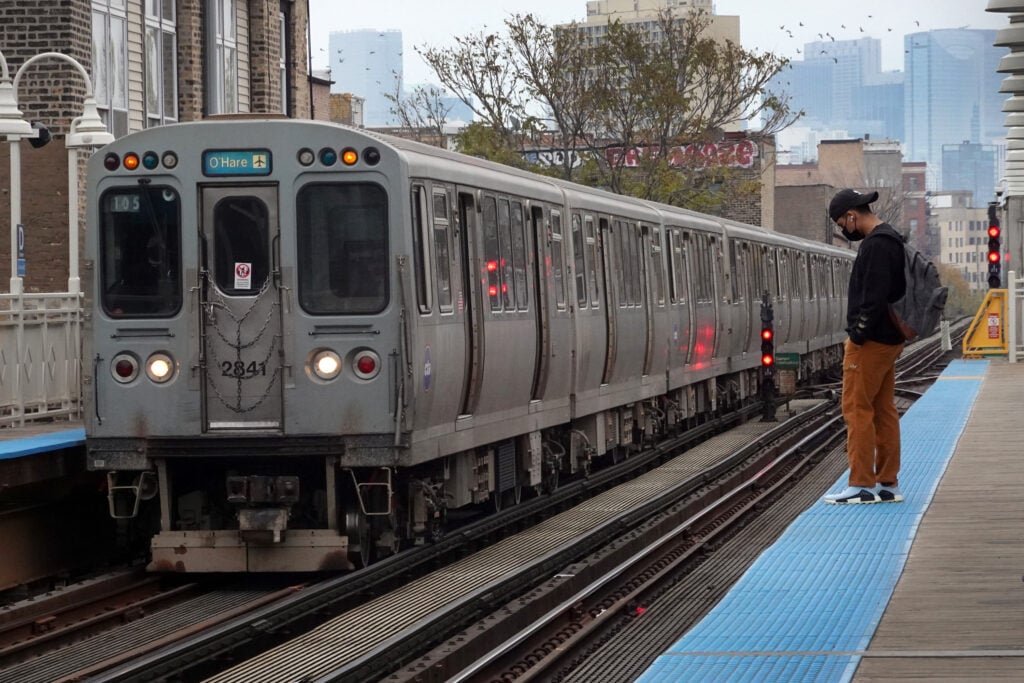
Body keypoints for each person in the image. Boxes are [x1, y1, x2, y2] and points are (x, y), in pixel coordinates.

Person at [824, 189, 907, 505]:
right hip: (889, 339)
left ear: (851, 216)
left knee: (857, 409)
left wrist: (857, 336)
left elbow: (872, 298)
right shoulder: (892, 239)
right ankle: (887, 483)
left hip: (871, 342)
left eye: (842, 223)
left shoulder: (875, 246)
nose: (845, 230)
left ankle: (860, 484)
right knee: (884, 410)